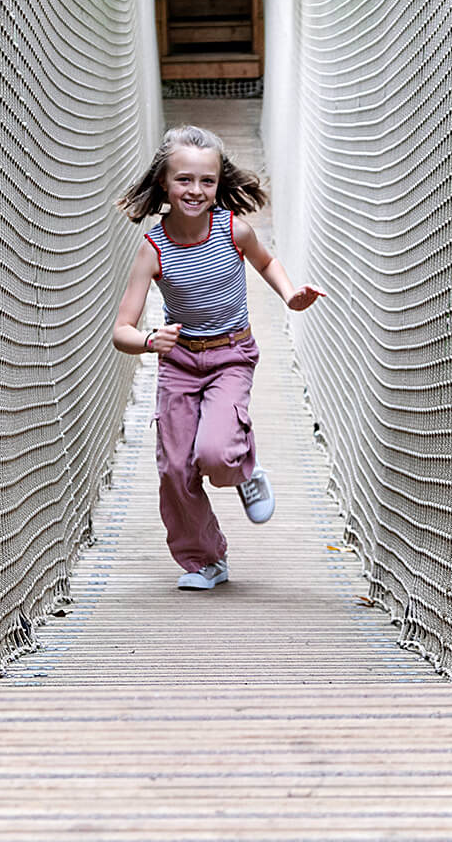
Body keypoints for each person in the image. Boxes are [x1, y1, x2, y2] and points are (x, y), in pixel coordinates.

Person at [109, 125, 327, 590]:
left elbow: (266, 263)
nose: (196, 190)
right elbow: (121, 331)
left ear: (219, 183)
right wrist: (150, 341)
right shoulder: (153, 249)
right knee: (174, 468)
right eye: (184, 179)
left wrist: (290, 296)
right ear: (164, 183)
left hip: (231, 354)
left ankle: (244, 466)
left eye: (207, 181)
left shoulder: (234, 230)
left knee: (215, 454)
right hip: (180, 364)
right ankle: (206, 560)